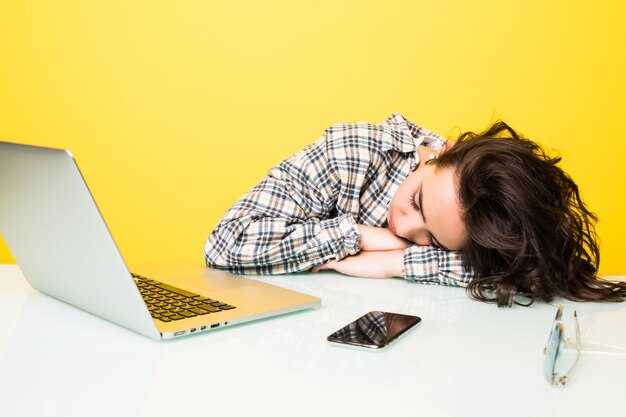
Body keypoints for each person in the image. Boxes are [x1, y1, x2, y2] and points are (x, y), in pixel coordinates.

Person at [204, 113, 626, 306]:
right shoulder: (351, 153)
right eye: (416, 201)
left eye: (432, 239)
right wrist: (358, 237)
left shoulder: (481, 222)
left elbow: (529, 278)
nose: (406, 226)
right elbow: (225, 244)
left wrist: (396, 264)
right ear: (440, 153)